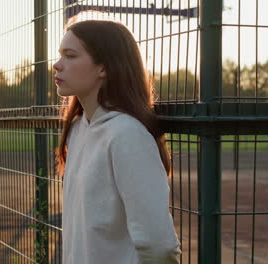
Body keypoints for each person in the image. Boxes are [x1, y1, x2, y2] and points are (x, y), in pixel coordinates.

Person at [53, 18, 182, 264]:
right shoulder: (78, 129)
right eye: (61, 55)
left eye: (70, 56)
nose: (57, 65)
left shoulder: (127, 135)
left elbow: (159, 246)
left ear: (104, 67)